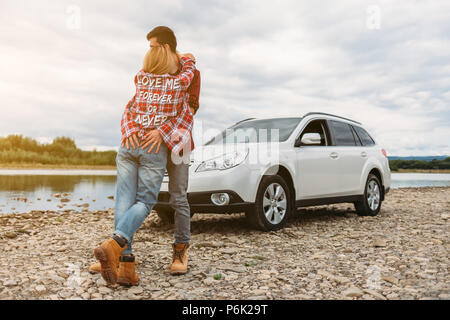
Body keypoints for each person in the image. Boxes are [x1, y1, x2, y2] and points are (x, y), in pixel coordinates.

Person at [91, 26, 196, 286]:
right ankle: (118, 251)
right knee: (142, 202)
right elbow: (182, 109)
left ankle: (171, 253)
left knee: (173, 197)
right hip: (152, 148)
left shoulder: (141, 76)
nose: (148, 51)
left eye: (151, 47)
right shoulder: (179, 80)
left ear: (164, 48)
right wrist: (189, 60)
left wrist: (139, 131)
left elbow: (189, 110)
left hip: (164, 144)